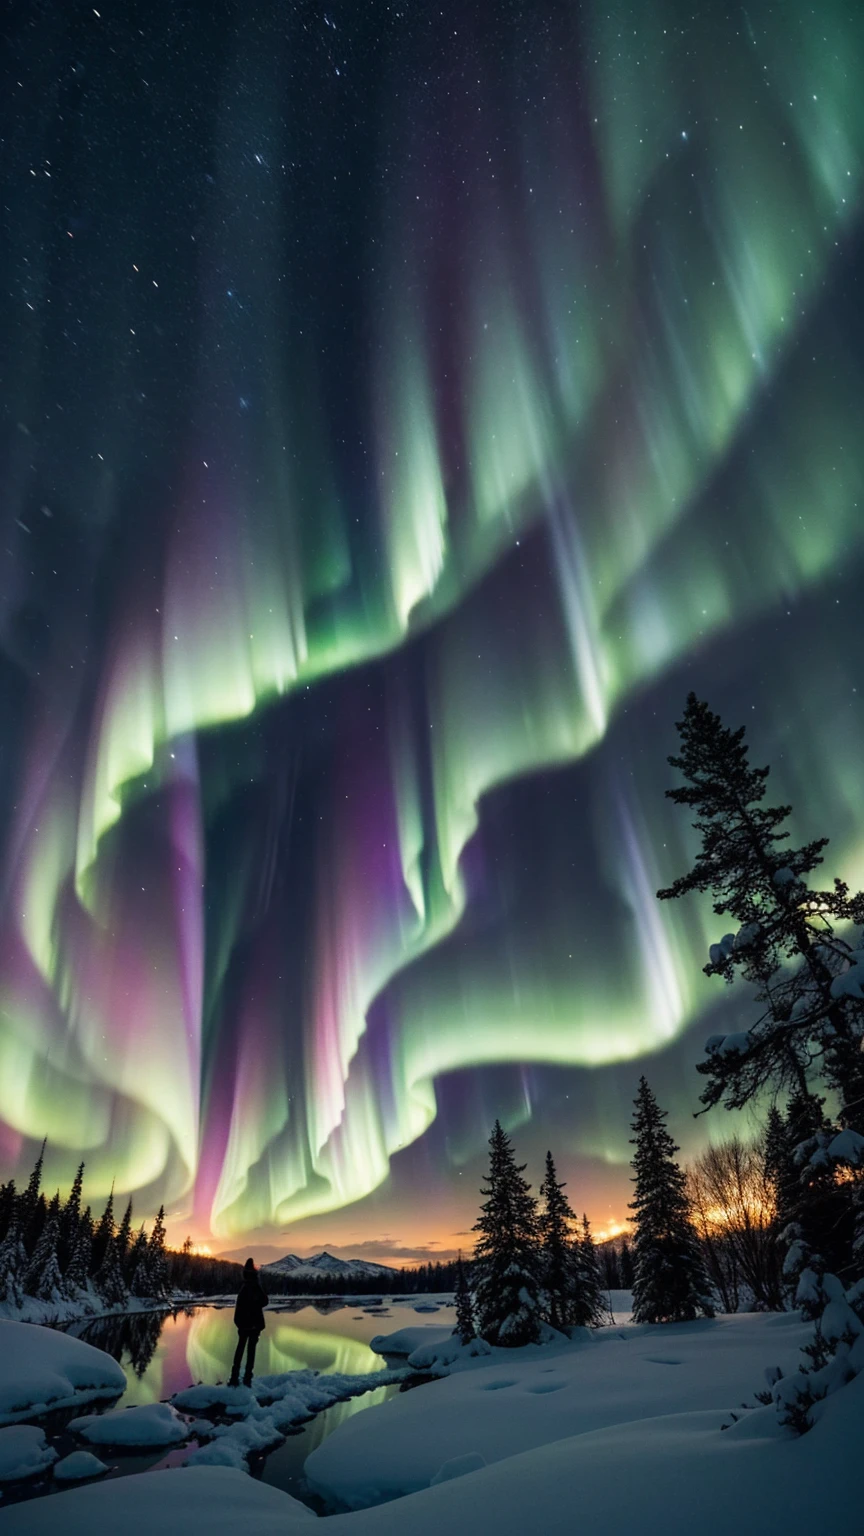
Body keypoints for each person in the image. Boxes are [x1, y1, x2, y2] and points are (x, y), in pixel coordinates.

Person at [229, 1257, 268, 1387]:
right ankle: (247, 1379)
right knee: (251, 1352)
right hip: (254, 1325)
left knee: (240, 1349)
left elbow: (239, 1308)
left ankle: (234, 1378)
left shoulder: (244, 1286)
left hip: (244, 1326)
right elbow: (265, 1301)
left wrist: (239, 1323)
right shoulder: (256, 1285)